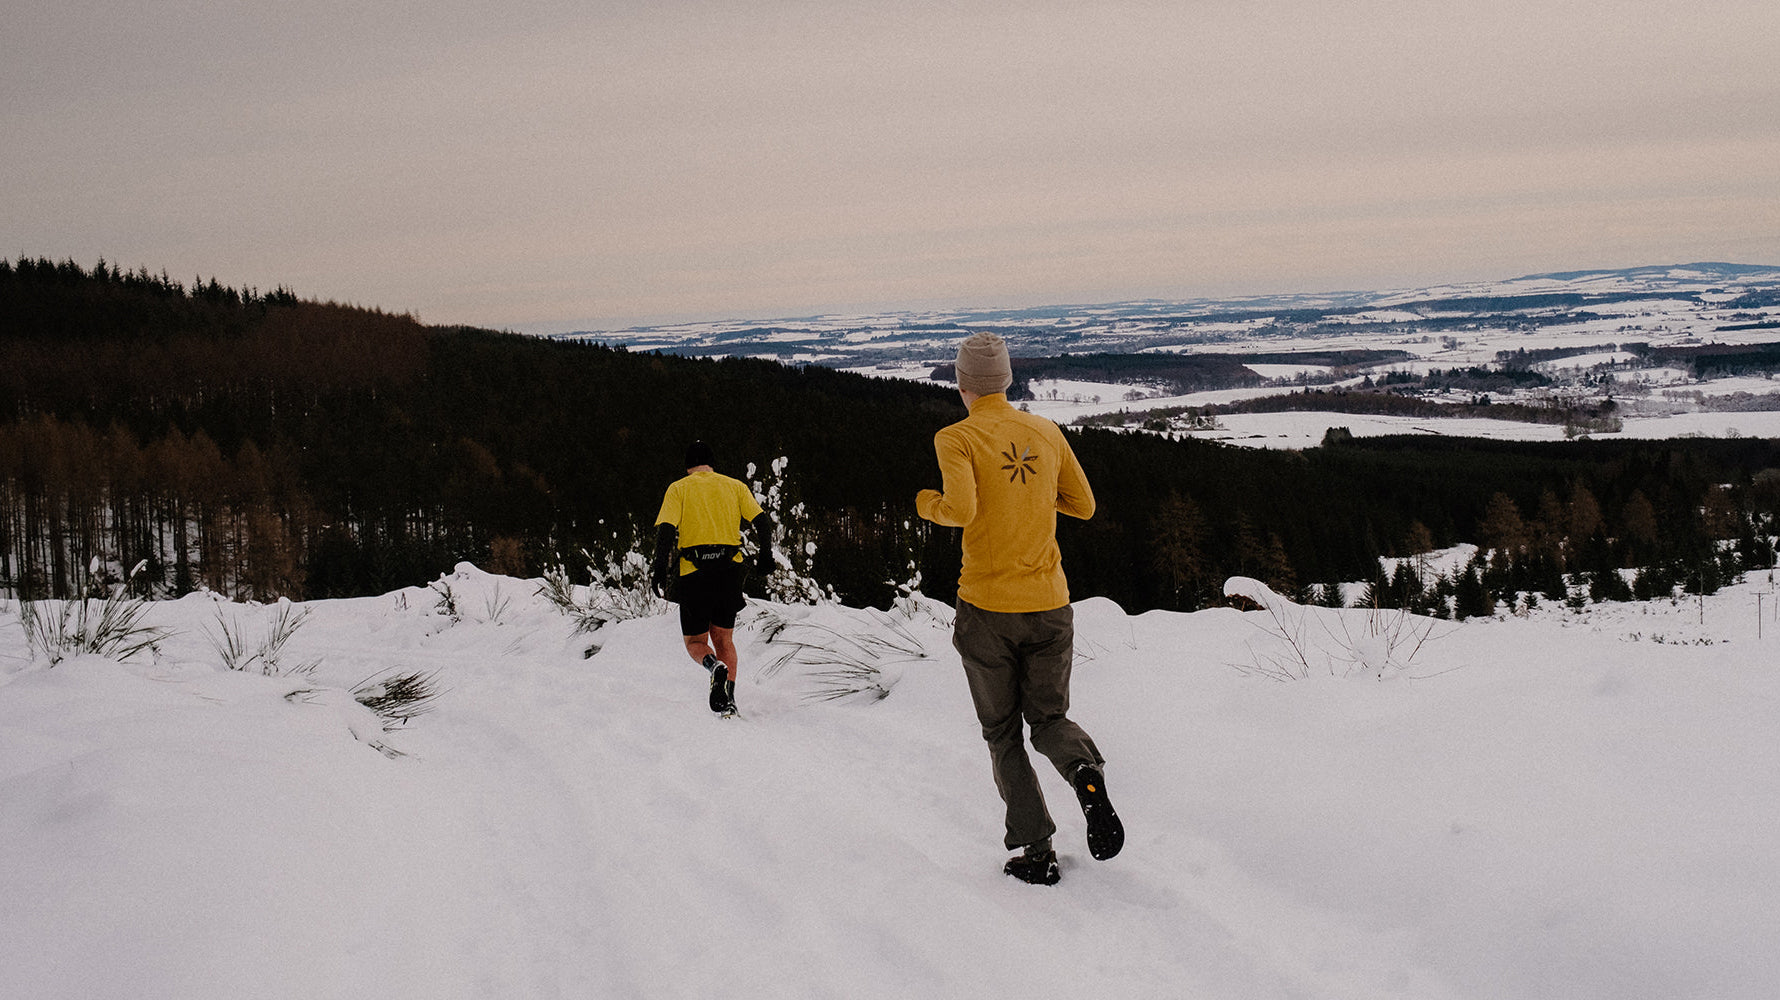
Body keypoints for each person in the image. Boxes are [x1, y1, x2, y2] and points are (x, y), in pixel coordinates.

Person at [915, 331, 1123, 885]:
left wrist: (927, 504)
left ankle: (1037, 851)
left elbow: (959, 509)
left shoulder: (955, 438)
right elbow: (1083, 504)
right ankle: (1083, 769)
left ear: (961, 383)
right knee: (1049, 719)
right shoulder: (1045, 430)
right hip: (1051, 604)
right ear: (1006, 379)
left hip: (986, 608)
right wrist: (1031, 496)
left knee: (1003, 733)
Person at [651, 441, 772, 716]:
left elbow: (666, 531)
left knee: (695, 641)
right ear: (712, 464)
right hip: (729, 572)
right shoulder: (735, 486)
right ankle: (728, 700)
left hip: (694, 573)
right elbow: (762, 522)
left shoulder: (679, 488)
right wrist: (766, 556)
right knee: (724, 639)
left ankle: (712, 666)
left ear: (688, 466)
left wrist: (658, 567)